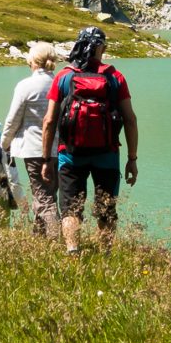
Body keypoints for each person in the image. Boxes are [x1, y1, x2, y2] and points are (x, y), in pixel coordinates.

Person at [40, 26, 138, 254]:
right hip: (108, 155)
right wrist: (132, 158)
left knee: (71, 208)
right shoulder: (115, 77)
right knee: (106, 208)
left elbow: (48, 121)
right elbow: (130, 120)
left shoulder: (64, 77)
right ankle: (105, 254)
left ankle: (73, 251)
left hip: (71, 155)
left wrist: (46, 159)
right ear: (101, 47)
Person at [0, 41, 63, 234]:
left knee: (44, 197)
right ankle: (38, 239)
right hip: (61, 149)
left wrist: (4, 143)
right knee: (47, 193)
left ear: (33, 61)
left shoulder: (26, 86)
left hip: (35, 149)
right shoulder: (62, 83)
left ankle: (56, 240)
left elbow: (13, 119)